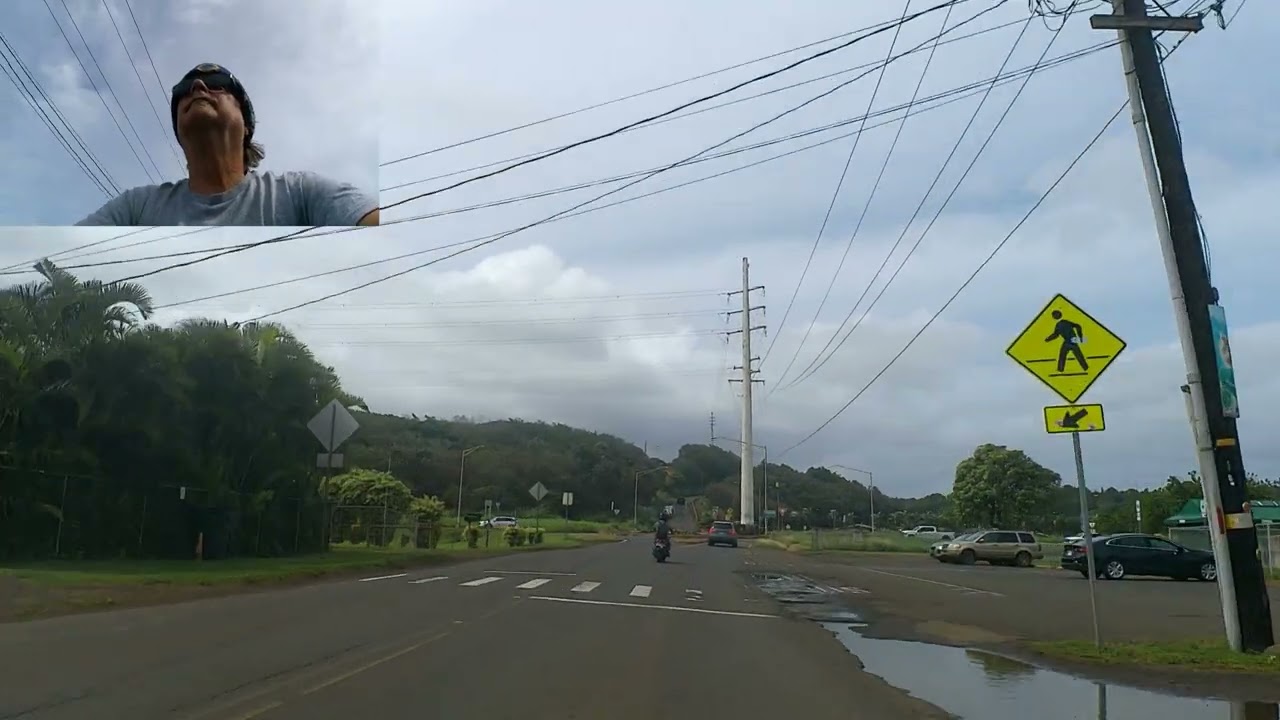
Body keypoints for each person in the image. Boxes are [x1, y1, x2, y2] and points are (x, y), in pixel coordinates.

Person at [76, 63, 379, 227]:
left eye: (218, 83)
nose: (196, 87)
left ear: (247, 124)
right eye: (183, 91)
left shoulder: (301, 194)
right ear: (179, 134)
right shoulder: (136, 208)